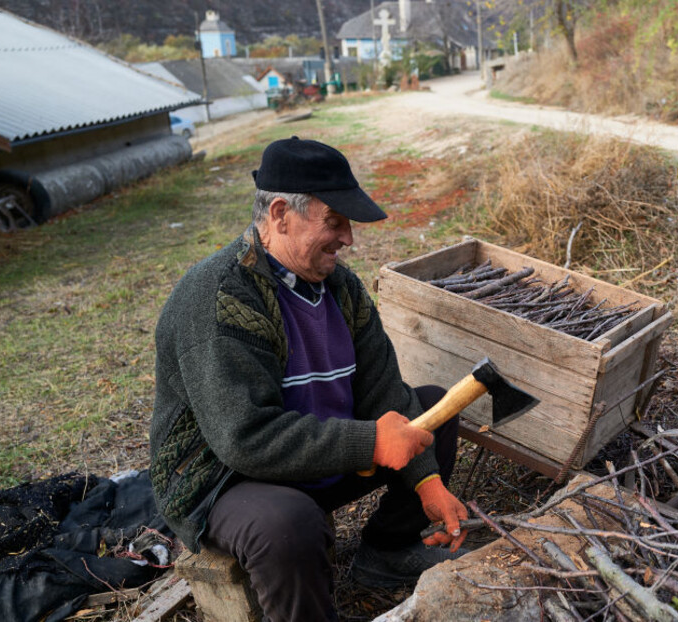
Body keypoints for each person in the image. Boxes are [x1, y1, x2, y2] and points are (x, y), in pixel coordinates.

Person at [149, 136, 470, 621]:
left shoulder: (341, 286)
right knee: (288, 524)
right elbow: (245, 439)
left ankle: (386, 553)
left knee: (431, 410)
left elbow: (385, 393)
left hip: (316, 458)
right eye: (334, 223)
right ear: (280, 214)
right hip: (227, 479)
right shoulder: (219, 298)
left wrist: (425, 479)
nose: (348, 239)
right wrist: (368, 444)